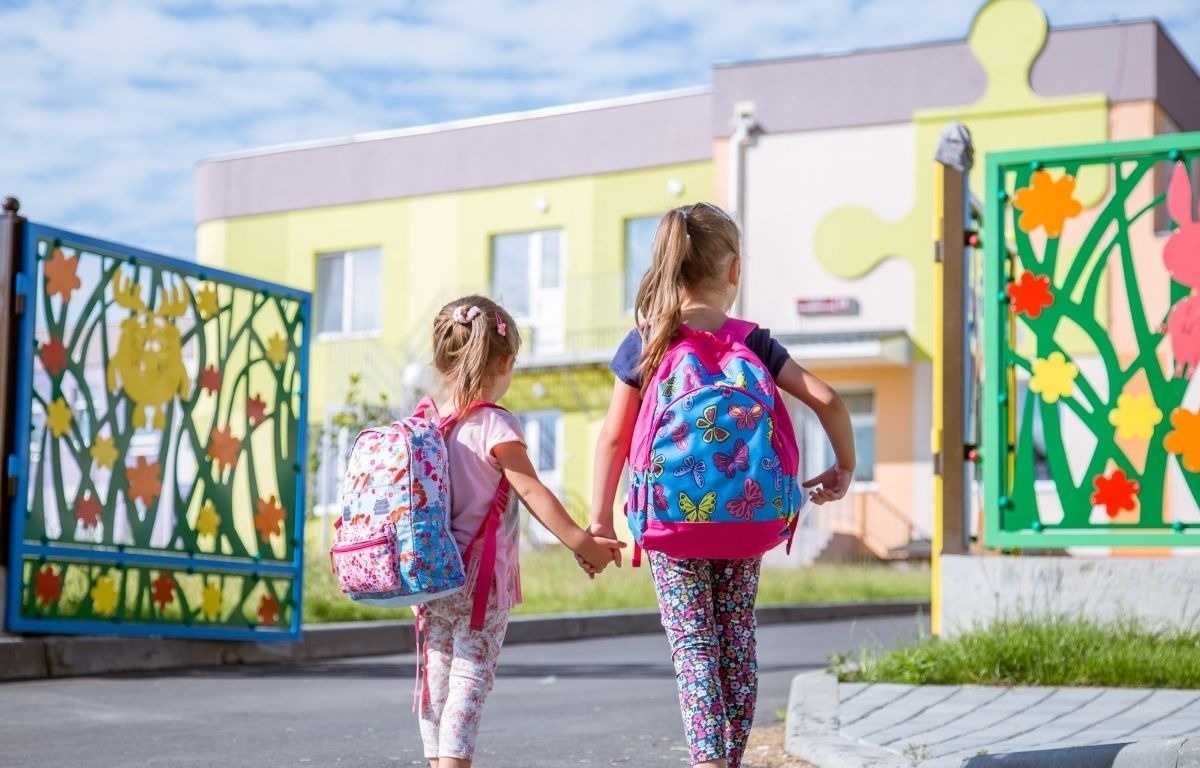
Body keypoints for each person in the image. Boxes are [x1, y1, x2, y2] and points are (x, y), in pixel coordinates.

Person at [585, 203, 856, 768]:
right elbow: (827, 399)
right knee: (736, 641)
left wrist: (600, 520)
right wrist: (844, 467)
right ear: (733, 271)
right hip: (745, 517)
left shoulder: (647, 341)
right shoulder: (753, 341)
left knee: (694, 647)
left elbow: (613, 438)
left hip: (669, 520)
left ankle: (707, 761)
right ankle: (728, 759)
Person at [417, 295, 624, 768]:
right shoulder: (495, 425)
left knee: (437, 678)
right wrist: (583, 542)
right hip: (479, 582)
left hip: (429, 575)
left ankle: (436, 762)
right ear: (505, 362)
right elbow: (533, 493)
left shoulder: (425, 419)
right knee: (470, 678)